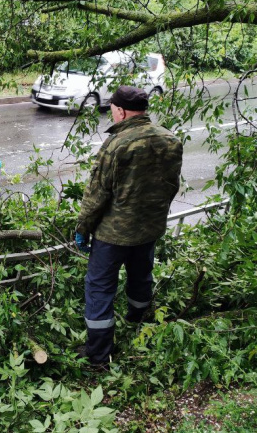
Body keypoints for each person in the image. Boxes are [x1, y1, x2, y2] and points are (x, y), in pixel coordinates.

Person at [74, 86, 183, 368]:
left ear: (121, 111)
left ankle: (99, 356)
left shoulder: (116, 145)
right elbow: (172, 186)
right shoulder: (170, 140)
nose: (112, 114)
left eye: (112, 109)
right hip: (149, 230)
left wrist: (83, 228)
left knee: (99, 288)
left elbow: (97, 195)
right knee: (141, 277)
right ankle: (138, 327)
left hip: (113, 235)